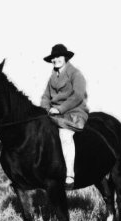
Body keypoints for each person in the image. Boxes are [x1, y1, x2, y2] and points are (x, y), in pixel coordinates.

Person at [40, 44, 89, 189]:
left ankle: (70, 175)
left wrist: (60, 108)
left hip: (74, 113)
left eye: (58, 56)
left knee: (65, 135)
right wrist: (45, 110)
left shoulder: (75, 74)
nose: (55, 60)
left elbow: (77, 96)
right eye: (53, 57)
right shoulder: (52, 78)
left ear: (65, 57)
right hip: (55, 114)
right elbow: (45, 97)